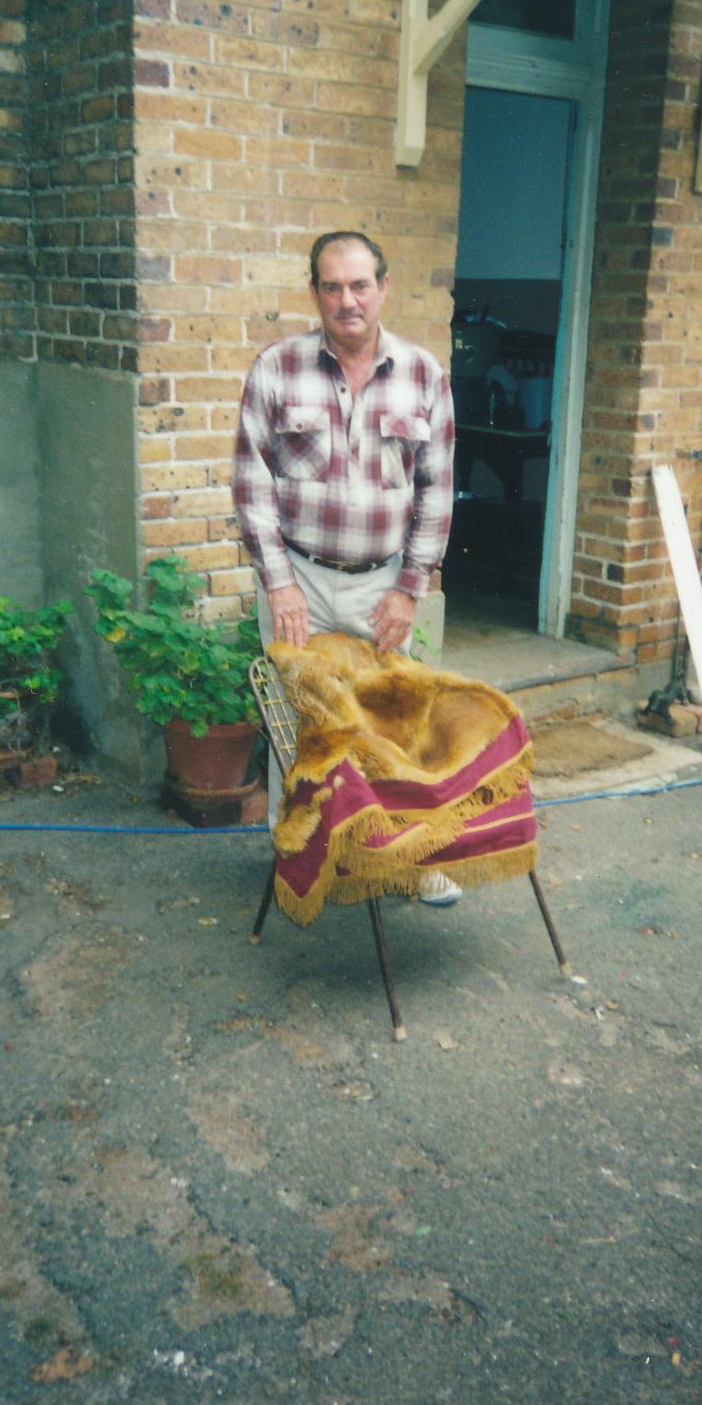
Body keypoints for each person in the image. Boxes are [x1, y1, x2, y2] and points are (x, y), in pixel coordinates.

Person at [232, 230, 462, 906]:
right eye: (331, 286)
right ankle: (299, 862)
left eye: (360, 285)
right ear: (314, 293)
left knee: (392, 723)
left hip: (380, 585)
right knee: (297, 725)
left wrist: (409, 589)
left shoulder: (425, 376)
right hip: (297, 578)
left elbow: (437, 492)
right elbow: (252, 484)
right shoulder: (277, 368)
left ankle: (407, 859)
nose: (347, 301)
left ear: (384, 288)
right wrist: (279, 583)